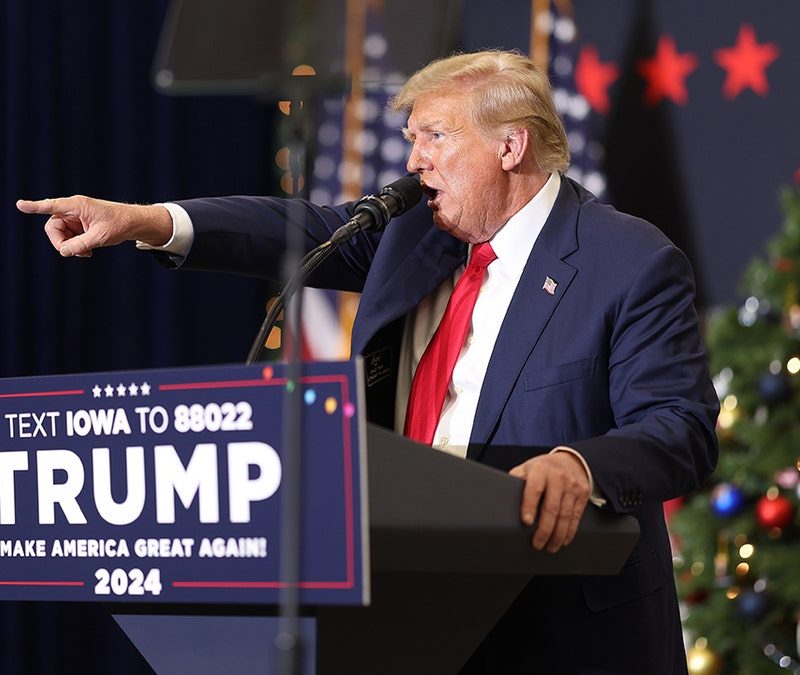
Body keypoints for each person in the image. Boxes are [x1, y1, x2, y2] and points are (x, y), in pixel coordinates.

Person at [18, 50, 718, 674]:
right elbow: (294, 231)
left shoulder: (628, 260)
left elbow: (680, 425)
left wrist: (581, 465)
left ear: (510, 146)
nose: (414, 161)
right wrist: (146, 220)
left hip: (560, 626)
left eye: (435, 136)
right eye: (412, 139)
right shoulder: (416, 237)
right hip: (411, 616)